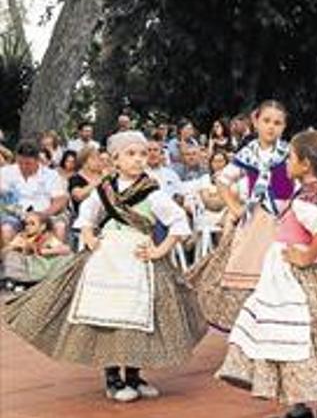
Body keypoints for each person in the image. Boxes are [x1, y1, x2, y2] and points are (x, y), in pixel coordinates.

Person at [4, 131, 207, 403]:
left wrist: (160, 249)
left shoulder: (152, 189)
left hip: (139, 258)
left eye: (143, 154)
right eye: (131, 154)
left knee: (140, 317)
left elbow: (177, 220)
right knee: (106, 311)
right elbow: (87, 214)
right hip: (107, 258)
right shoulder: (105, 189)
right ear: (115, 159)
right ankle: (113, 376)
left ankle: (134, 374)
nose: (138, 159)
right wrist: (88, 236)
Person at [217, 130, 317, 418]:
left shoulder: (307, 198)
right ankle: (311, 400)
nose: (286, 163)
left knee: (298, 335)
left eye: (291, 158)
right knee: (316, 337)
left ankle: (307, 401)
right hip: (302, 274)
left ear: (305, 164)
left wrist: (306, 255)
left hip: (297, 277)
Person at [187, 100, 295, 331]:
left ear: (284, 127)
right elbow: (223, 179)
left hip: (285, 218)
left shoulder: (289, 153)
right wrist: (235, 207)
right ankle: (251, 328)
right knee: (250, 269)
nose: (271, 127)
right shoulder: (248, 154)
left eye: (277, 123)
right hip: (257, 219)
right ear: (256, 121)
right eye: (266, 121)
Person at [1, 211, 72, 290]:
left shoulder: (47, 238)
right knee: (11, 255)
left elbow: (66, 249)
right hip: (24, 268)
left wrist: (43, 251)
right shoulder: (21, 236)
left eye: (32, 224)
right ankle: (14, 281)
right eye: (26, 224)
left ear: (42, 227)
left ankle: (43, 282)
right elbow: (7, 250)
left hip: (40, 268)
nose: (28, 227)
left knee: (64, 258)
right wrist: (14, 246)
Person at [68, 147, 109, 218]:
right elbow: (78, 196)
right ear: (84, 162)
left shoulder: (104, 174)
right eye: (93, 158)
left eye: (98, 158)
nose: (98, 161)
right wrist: (100, 180)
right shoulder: (75, 178)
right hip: (85, 217)